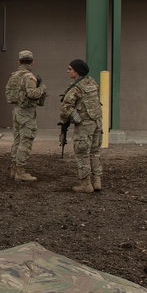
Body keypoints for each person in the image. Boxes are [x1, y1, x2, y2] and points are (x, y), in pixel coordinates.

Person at [59, 59, 104, 193]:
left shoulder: (76, 88)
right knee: (94, 153)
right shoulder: (92, 82)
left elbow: (65, 107)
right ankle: (97, 181)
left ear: (77, 71)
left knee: (82, 153)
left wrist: (73, 118)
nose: (67, 71)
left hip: (84, 125)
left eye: (70, 69)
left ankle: (85, 184)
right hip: (97, 122)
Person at [5, 49, 48, 181]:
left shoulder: (14, 76)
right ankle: (21, 172)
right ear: (32, 62)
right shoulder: (29, 77)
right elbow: (32, 94)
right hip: (27, 112)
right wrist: (42, 88)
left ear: (19, 62)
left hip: (17, 111)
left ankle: (14, 169)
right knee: (26, 141)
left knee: (17, 141)